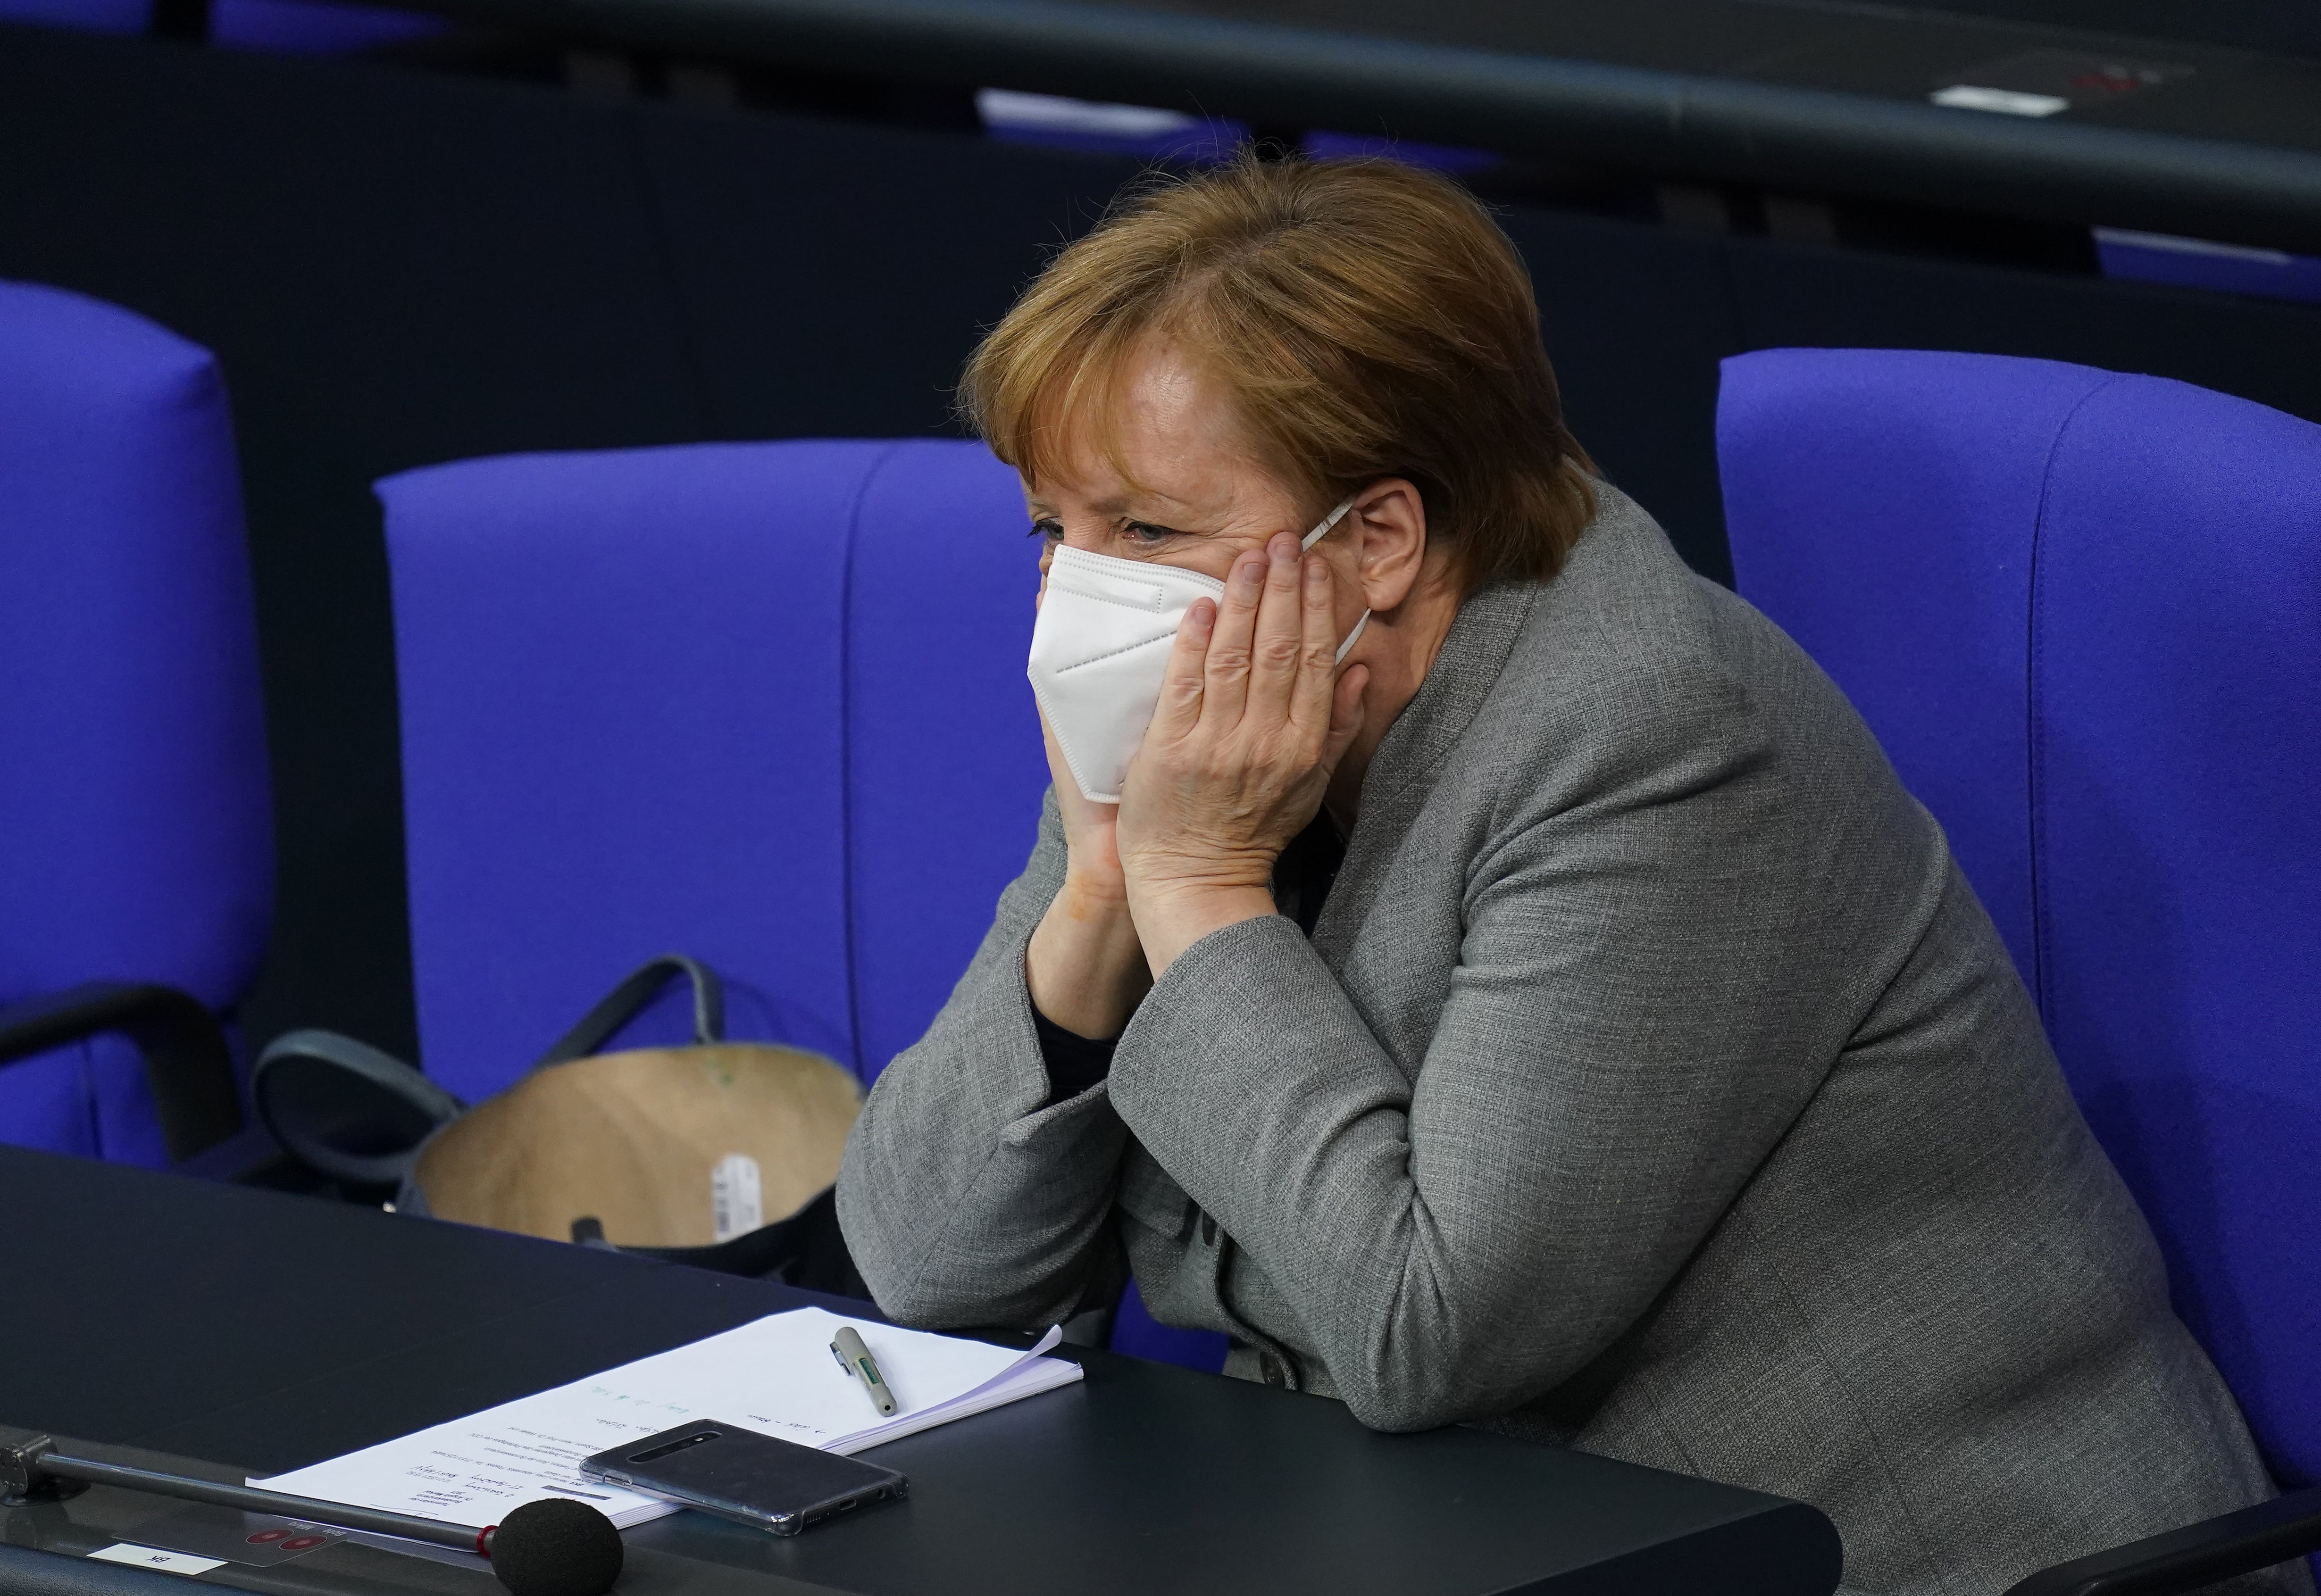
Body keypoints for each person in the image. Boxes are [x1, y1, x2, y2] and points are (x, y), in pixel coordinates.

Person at [834, 156, 2297, 1596]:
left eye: (1145, 531)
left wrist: (1201, 885)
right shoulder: (1202, 710)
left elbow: (1425, 1330)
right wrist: (1101, 890)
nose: (1075, 593)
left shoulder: (1653, 741)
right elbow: (932, 1276)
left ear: (1382, 540)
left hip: (1883, 1558)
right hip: (1435, 1534)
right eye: (1053, 530)